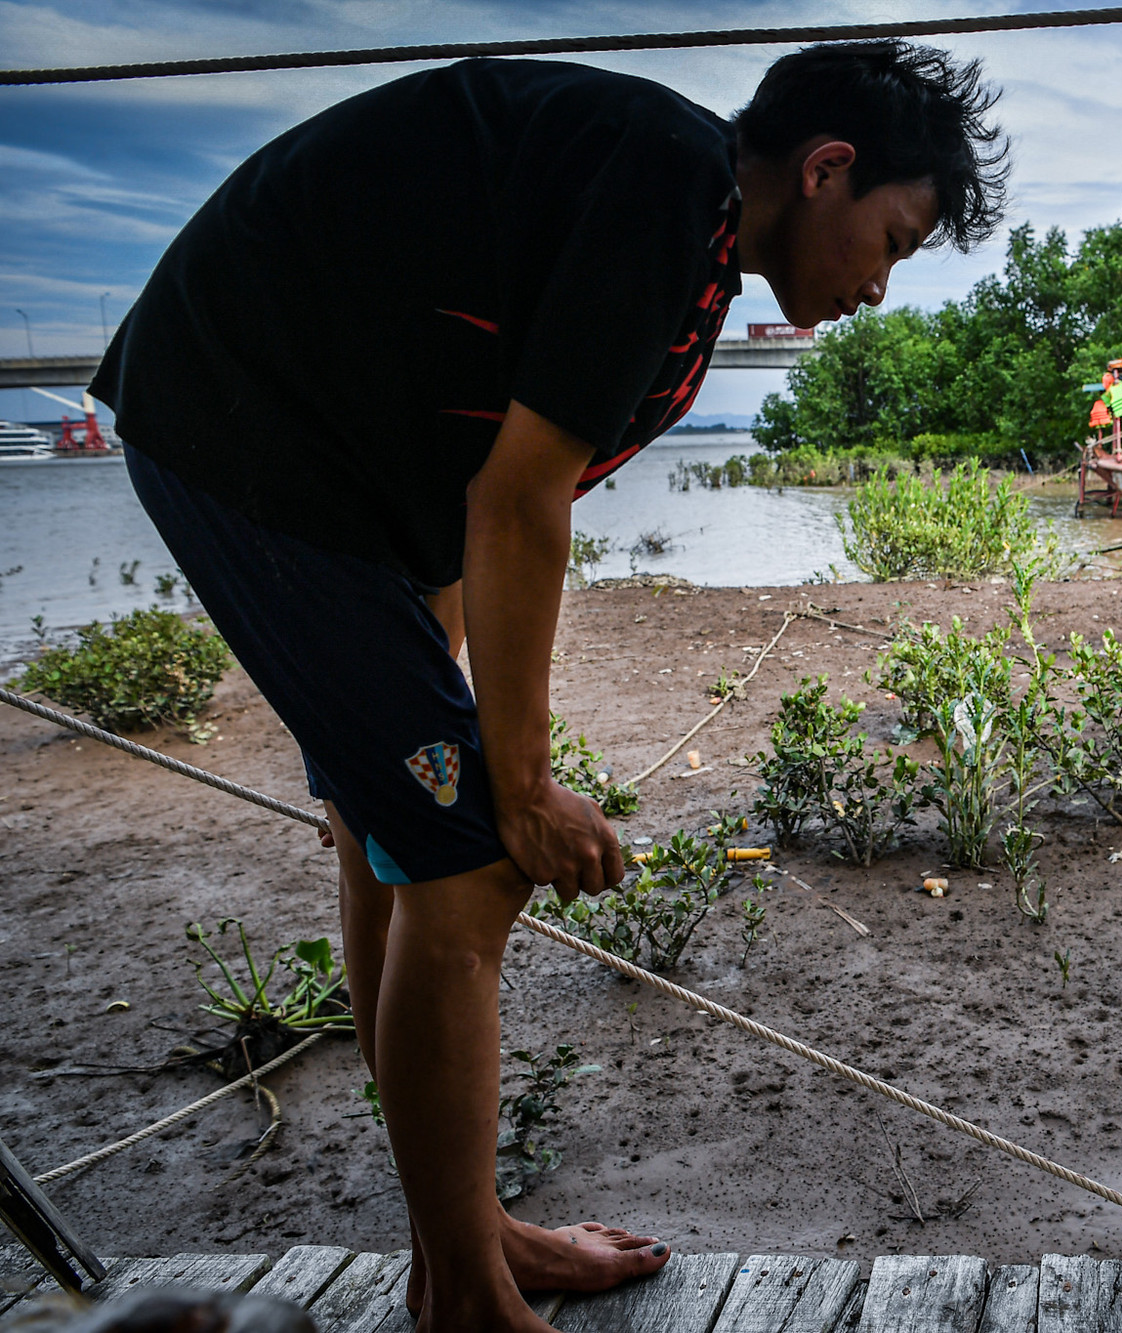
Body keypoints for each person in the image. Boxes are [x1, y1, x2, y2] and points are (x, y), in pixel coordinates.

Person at [93, 43, 1006, 1333]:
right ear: (826, 169)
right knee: (472, 860)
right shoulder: (661, 182)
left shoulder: (690, 240)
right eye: (894, 241)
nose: (877, 283)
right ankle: (464, 1290)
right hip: (241, 430)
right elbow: (515, 499)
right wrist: (512, 788)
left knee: (401, 839)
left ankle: (464, 1238)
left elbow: (467, 461)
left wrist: (442, 740)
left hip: (332, 473)